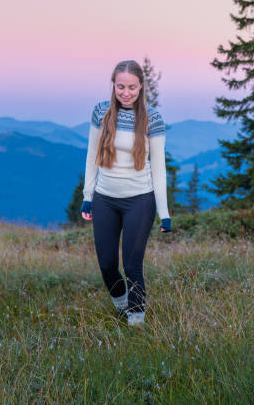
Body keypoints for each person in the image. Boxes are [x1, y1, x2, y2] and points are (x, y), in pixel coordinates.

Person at [80, 59, 172, 327]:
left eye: (132, 87)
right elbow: (91, 156)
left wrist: (164, 213)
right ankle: (122, 308)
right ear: (114, 85)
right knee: (107, 265)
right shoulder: (101, 112)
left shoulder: (152, 119)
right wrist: (88, 195)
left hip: (140, 201)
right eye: (121, 87)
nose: (126, 93)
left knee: (132, 267)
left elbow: (158, 168)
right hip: (105, 199)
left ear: (141, 87)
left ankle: (136, 324)